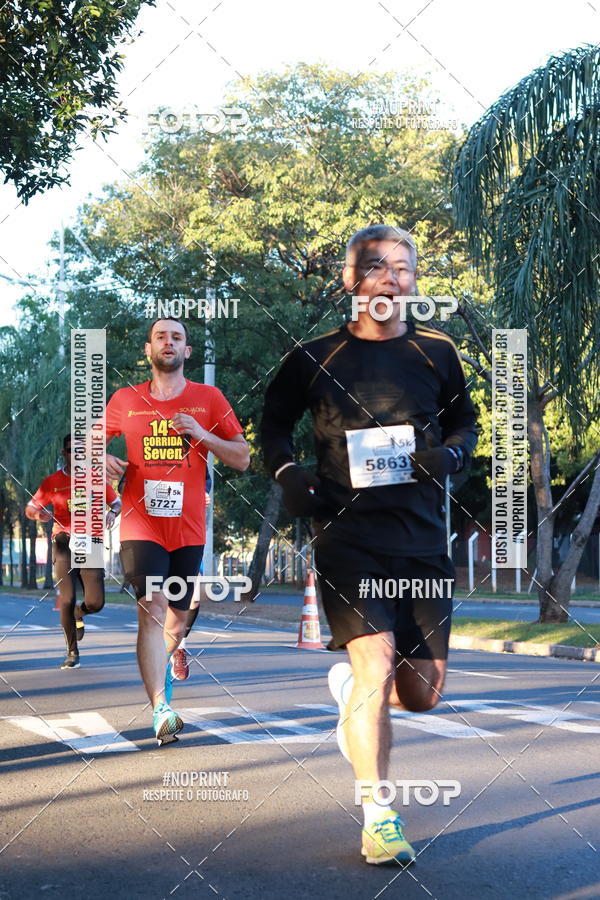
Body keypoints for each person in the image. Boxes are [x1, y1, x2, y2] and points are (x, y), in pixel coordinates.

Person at [261, 225, 478, 865]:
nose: (391, 278)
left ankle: (351, 693)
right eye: (377, 266)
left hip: (420, 538)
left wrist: (452, 455)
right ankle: (379, 815)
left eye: (403, 268)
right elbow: (273, 424)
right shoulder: (313, 356)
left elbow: (466, 420)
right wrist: (286, 473)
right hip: (345, 533)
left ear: (414, 282)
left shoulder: (438, 352)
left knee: (423, 693)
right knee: (375, 663)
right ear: (350, 279)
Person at [105, 316, 249, 745]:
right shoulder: (124, 400)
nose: (168, 342)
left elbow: (241, 457)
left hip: (188, 529)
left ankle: (169, 663)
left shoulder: (209, 398)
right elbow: (86, 446)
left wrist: (203, 434)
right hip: (141, 524)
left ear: (187, 352)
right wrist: (101, 462)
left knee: (178, 618)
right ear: (148, 351)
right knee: (151, 606)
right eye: (160, 337)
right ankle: (160, 709)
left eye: (177, 337)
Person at [25, 433, 121, 669]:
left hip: (91, 542)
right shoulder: (52, 482)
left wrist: (113, 512)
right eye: (71, 450)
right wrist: (37, 514)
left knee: (96, 602)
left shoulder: (96, 479)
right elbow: (30, 507)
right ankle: (72, 652)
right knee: (66, 598)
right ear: (64, 453)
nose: (76, 455)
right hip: (63, 541)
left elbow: (116, 501)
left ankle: (80, 613)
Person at [169, 470, 212, 682]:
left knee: (194, 596)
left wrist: (203, 492)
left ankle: (180, 648)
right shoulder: (150, 447)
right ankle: (161, 648)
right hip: (156, 534)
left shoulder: (195, 450)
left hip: (189, 533)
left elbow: (205, 480)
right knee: (160, 600)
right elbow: (126, 485)